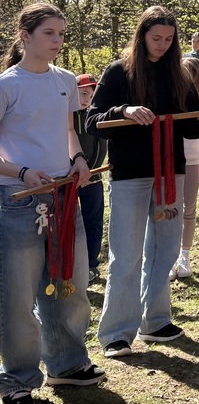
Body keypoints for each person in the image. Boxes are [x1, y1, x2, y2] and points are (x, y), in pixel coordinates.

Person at [89, 6, 199, 356]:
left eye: (169, 39)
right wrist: (124, 111)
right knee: (126, 254)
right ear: (141, 35)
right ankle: (116, 333)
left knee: (165, 249)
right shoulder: (118, 71)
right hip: (129, 176)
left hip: (170, 175)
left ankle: (155, 321)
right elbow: (93, 121)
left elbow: (190, 128)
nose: (162, 44)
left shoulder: (179, 75)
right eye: (156, 38)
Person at [0, 3, 104, 404]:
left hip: (64, 197)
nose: (58, 40)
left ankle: (68, 364)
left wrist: (77, 160)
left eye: (61, 33)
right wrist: (22, 172)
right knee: (17, 294)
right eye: (49, 33)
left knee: (69, 282)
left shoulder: (64, 80)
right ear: (25, 36)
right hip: (18, 201)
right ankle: (17, 379)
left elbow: (68, 133)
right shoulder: (7, 85)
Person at [170, 55, 199, 280]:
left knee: (189, 209)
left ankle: (184, 256)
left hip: (193, 162)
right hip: (172, 162)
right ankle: (170, 257)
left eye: (192, 75)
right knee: (170, 209)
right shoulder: (172, 100)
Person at [74, 72, 108, 281]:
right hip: (68, 180)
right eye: (83, 93)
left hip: (92, 180)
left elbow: (101, 148)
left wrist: (90, 172)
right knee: (69, 222)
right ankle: (72, 263)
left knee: (93, 222)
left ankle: (91, 264)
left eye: (90, 95)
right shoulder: (64, 115)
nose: (86, 99)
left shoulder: (94, 116)